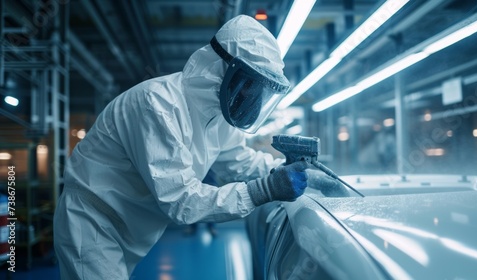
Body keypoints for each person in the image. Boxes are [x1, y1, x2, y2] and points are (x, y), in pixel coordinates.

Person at [53, 15, 343, 279]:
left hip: (130, 227)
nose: (250, 96)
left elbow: (240, 161)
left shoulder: (216, 116)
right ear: (223, 69)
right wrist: (266, 189)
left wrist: (288, 172)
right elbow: (181, 201)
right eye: (249, 84)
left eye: (257, 90)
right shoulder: (158, 105)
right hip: (94, 223)